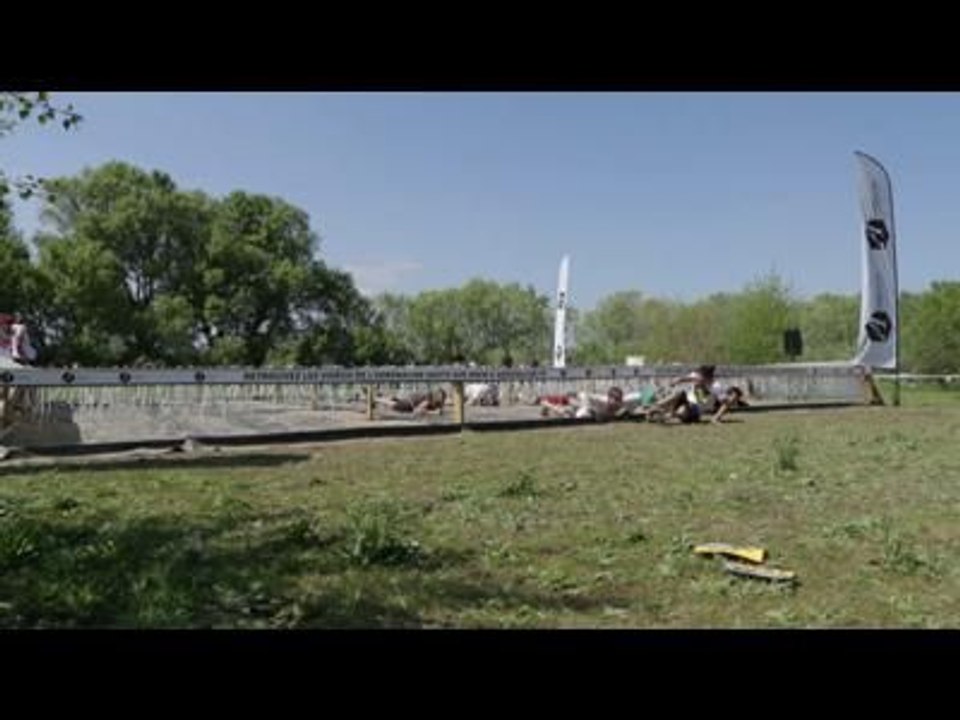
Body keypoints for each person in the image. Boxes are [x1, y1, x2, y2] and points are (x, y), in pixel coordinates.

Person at [647, 365, 747, 424]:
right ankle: (655, 407)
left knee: (682, 411)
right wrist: (675, 382)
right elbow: (685, 378)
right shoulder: (697, 376)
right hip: (686, 399)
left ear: (708, 378)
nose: (697, 379)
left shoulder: (716, 387)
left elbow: (725, 403)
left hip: (695, 410)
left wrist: (716, 418)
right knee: (678, 393)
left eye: (700, 378)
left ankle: (663, 416)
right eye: (697, 377)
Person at [375, 387, 447, 416]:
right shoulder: (429, 400)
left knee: (394, 402)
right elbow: (417, 410)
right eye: (442, 399)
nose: (443, 401)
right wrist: (433, 413)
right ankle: (377, 399)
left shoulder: (435, 402)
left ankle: (379, 398)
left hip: (410, 400)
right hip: (409, 404)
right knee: (393, 405)